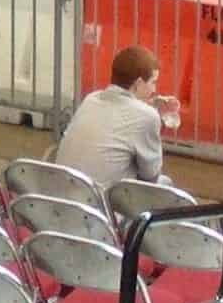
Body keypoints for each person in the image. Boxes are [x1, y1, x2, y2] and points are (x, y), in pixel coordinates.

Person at [55, 45, 182, 195]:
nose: (154, 90)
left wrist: (149, 107)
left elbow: (118, 113)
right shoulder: (147, 116)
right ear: (139, 84)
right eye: (153, 82)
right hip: (101, 209)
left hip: (61, 201)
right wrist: (154, 117)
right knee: (165, 183)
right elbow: (150, 176)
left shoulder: (91, 99)